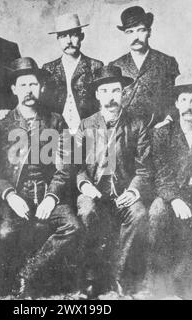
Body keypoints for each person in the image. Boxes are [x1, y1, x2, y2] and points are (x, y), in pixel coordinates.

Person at [0, 57, 81, 298]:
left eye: (33, 85)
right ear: (13, 89)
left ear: (40, 87)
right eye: (22, 85)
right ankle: (8, 283)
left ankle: (28, 274)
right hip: (16, 196)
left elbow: (65, 166)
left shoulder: (54, 120)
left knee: (72, 226)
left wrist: (51, 197)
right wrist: (10, 196)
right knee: (5, 233)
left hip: (47, 192)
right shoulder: (2, 122)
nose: (28, 91)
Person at [75, 65, 152, 298]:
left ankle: (119, 278)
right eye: (105, 91)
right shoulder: (86, 125)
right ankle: (91, 279)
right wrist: (86, 186)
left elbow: (144, 168)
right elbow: (77, 168)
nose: (111, 97)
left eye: (116, 91)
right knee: (87, 210)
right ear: (97, 95)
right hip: (94, 191)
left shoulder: (137, 124)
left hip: (122, 193)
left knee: (138, 213)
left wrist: (134, 192)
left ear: (123, 93)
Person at [145, 72, 192, 299]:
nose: (189, 106)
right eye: (184, 99)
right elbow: (161, 175)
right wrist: (174, 199)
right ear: (176, 103)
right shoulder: (162, 134)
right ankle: (157, 282)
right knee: (157, 211)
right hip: (171, 193)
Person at [109, 6, 180, 126]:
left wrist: (168, 120)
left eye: (140, 30)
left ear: (149, 32)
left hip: (159, 131)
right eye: (129, 32)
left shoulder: (167, 62)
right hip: (125, 133)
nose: (135, 37)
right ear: (124, 35)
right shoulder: (115, 66)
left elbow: (178, 96)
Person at [42, 13, 103, 135]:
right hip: (56, 133)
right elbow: (42, 105)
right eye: (63, 36)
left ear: (82, 36)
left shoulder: (95, 66)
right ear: (58, 39)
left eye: (74, 35)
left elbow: (102, 104)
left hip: (89, 133)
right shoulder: (48, 69)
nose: (69, 41)